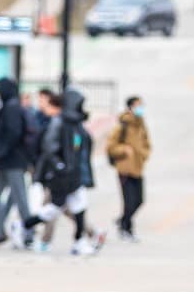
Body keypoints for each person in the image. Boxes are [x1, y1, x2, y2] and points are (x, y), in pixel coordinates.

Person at [32, 88, 101, 255]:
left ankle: (81, 238)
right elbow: (49, 148)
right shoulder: (59, 123)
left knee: (70, 207)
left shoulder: (74, 124)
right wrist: (60, 166)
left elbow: (81, 147)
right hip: (61, 175)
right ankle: (28, 230)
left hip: (73, 174)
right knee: (56, 208)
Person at [0, 80, 32, 247]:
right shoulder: (10, 106)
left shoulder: (11, 108)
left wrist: (1, 152)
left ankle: (28, 232)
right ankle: (0, 231)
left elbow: (14, 133)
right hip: (7, 161)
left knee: (20, 198)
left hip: (12, 160)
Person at [104, 96, 152, 241]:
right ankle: (126, 228)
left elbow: (146, 143)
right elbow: (110, 146)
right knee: (129, 201)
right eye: (137, 105)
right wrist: (124, 150)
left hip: (138, 168)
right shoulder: (122, 125)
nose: (140, 108)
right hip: (124, 169)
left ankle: (122, 220)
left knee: (139, 200)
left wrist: (143, 154)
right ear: (130, 107)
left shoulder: (141, 124)